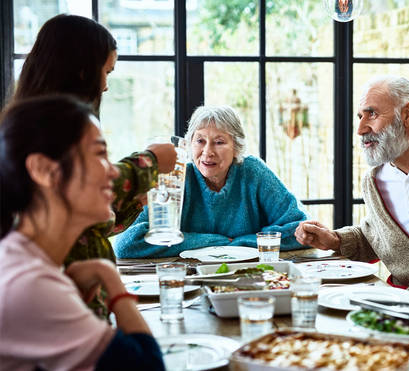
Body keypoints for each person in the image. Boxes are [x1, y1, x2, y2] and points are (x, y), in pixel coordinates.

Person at [12, 14, 176, 316]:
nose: (105, 86)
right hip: (68, 303)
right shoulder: (41, 129)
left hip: (89, 298)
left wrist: (134, 203)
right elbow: (71, 193)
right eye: (106, 72)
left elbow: (92, 224)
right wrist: (149, 162)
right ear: (81, 71)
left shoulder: (43, 124)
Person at [0, 96, 164, 370]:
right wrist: (110, 277)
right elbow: (146, 366)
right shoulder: (30, 284)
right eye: (100, 154)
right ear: (44, 170)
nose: (114, 172)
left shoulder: (27, 259)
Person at [295, 76, 409, 301]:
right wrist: (335, 240)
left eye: (372, 114)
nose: (360, 129)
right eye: (360, 116)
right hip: (399, 306)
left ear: (408, 114)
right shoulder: (373, 180)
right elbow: (377, 237)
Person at [115, 105, 308, 258]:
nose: (208, 152)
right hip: (190, 278)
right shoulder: (177, 177)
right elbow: (127, 244)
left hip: (250, 275)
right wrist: (214, 242)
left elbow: (298, 228)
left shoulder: (253, 172)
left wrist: (238, 244)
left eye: (219, 142)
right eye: (200, 141)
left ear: (236, 147)